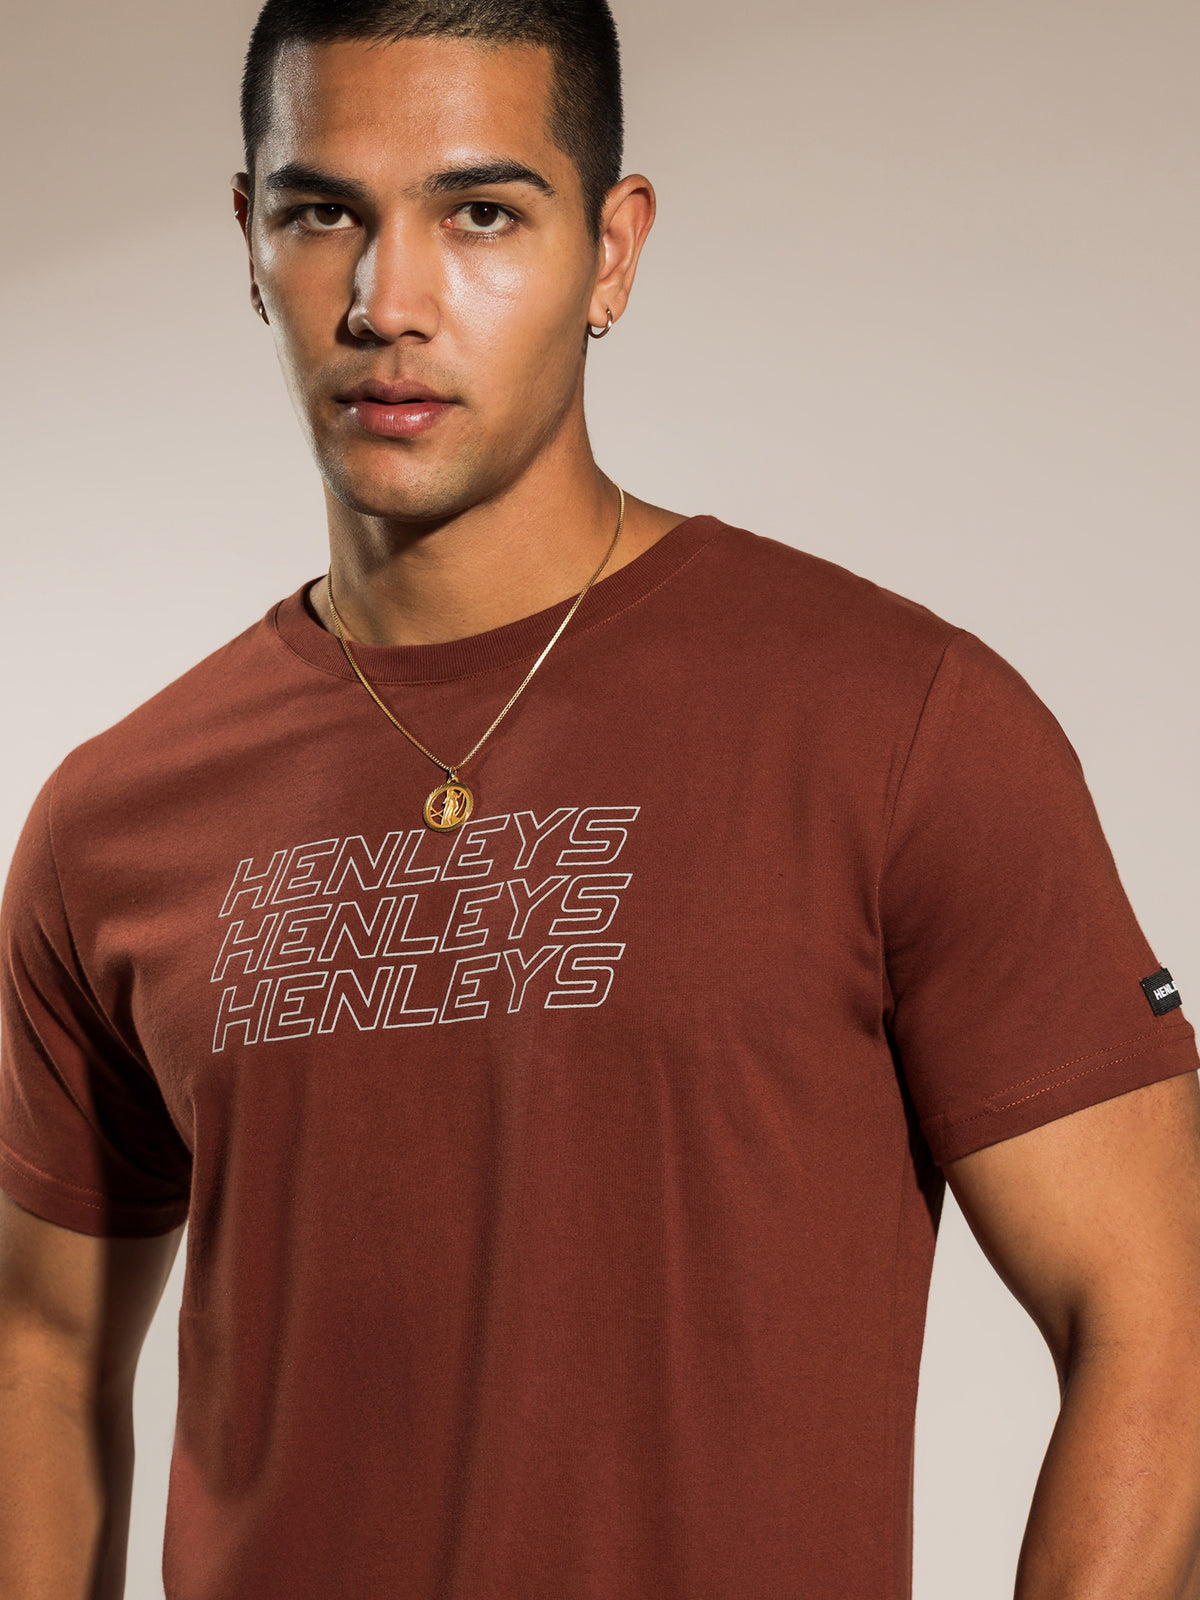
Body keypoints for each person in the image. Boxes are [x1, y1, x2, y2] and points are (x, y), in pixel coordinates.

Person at [1, 1, 1198, 1596]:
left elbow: (1161, 1325)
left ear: (612, 250)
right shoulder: (112, 821)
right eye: (324, 213)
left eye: (480, 214)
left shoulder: (899, 726)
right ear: (250, 242)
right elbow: (38, 1357)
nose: (386, 301)